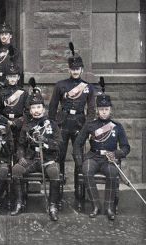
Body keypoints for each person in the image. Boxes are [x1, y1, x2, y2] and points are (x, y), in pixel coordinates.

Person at [73, 77, 130, 220]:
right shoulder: (90, 125)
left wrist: (116, 153)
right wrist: (79, 161)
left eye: (106, 109)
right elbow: (78, 143)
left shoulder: (117, 127)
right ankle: (95, 205)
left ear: (110, 110)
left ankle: (109, 208)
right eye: (101, 109)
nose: (104, 112)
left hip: (109, 159)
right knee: (86, 170)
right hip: (93, 157)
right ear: (97, 110)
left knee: (112, 173)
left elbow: (126, 147)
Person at [48, 42, 95, 210]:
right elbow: (52, 107)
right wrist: (52, 126)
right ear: (69, 69)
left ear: (81, 69)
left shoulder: (88, 87)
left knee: (78, 158)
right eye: (73, 68)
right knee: (58, 157)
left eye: (78, 68)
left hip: (79, 125)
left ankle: (79, 193)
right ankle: (58, 192)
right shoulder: (61, 85)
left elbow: (91, 111)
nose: (75, 71)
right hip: (63, 124)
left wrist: (88, 129)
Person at [10, 78, 62, 221]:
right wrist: (21, 157)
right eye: (33, 108)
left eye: (38, 107)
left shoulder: (51, 124)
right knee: (16, 169)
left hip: (48, 159)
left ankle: (53, 206)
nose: (36, 110)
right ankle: (19, 203)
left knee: (54, 171)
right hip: (32, 159)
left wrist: (45, 140)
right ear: (30, 110)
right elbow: (20, 144)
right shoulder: (26, 125)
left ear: (43, 109)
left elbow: (58, 144)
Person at [0, 22, 22, 97]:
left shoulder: (16, 52)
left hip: (11, 86)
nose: (3, 36)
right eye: (2, 34)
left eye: (6, 34)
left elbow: (18, 70)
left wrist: (6, 82)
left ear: (10, 36)